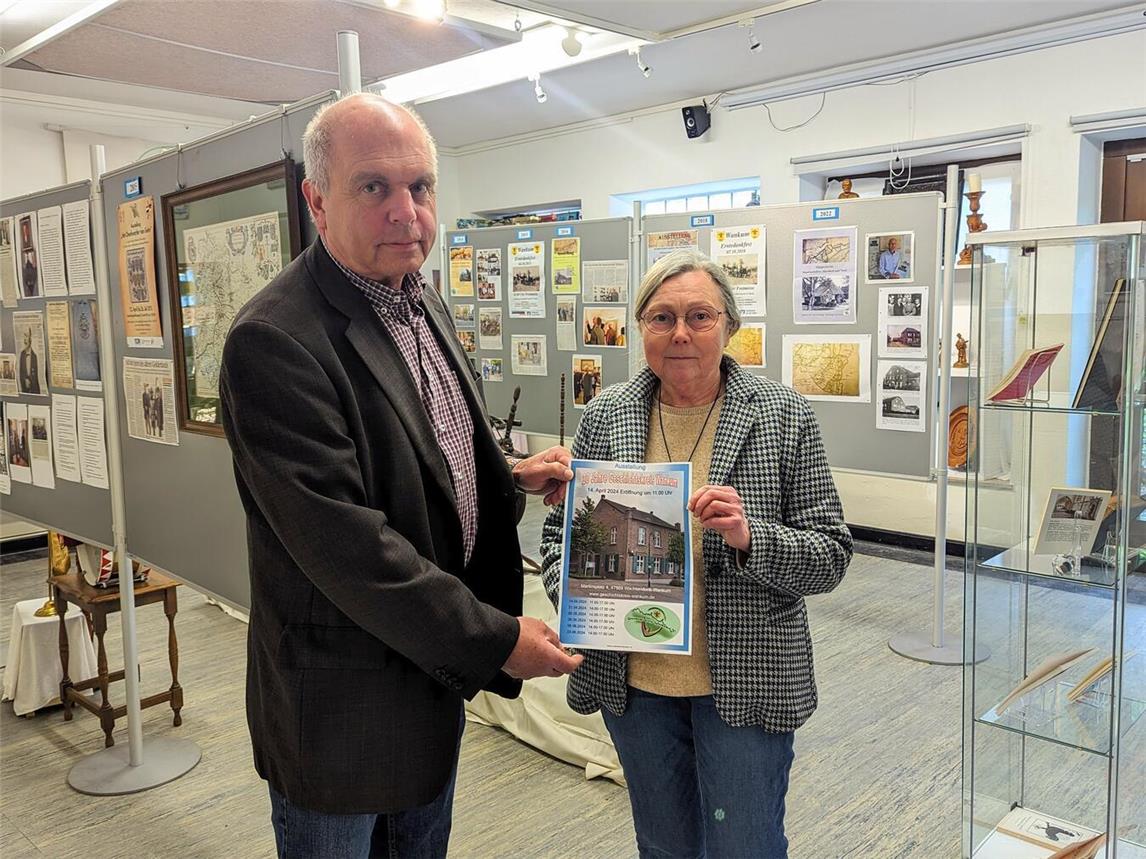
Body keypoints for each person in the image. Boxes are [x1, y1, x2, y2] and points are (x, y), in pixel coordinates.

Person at [219, 93, 581, 858]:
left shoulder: (422, 299)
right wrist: (498, 639)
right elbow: (351, 548)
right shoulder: (275, 340)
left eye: (419, 187)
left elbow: (418, 451)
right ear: (316, 200)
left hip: (426, 689)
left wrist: (508, 477)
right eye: (374, 187)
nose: (406, 212)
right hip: (341, 717)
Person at [540, 249, 852, 858]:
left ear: (729, 327)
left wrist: (749, 537)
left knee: (746, 846)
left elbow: (832, 552)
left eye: (699, 316)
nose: (679, 332)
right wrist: (579, 592)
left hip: (744, 676)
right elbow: (558, 538)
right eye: (661, 317)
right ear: (641, 329)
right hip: (636, 683)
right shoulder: (605, 415)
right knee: (663, 846)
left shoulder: (782, 415)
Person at [18, 329, 40, 394]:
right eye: (23, 336)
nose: (24, 339)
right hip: (25, 391)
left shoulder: (35, 356)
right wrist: (25, 379)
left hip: (34, 392)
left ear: (31, 339)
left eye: (26, 336)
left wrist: (30, 381)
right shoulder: (22, 355)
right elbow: (21, 372)